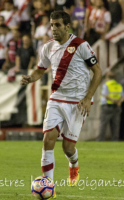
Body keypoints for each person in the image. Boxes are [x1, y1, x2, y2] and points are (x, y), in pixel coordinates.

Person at [20, 11, 102, 197]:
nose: (54, 29)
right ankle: (49, 187)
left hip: (77, 102)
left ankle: (74, 164)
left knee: (67, 147)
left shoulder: (81, 46)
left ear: (67, 26)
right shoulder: (48, 47)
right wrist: (30, 78)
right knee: (48, 139)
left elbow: (97, 72)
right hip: (56, 98)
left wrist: (88, 98)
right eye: (51, 25)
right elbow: (40, 70)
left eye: (57, 25)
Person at [97, 71, 124, 141]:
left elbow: (105, 95)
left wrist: (113, 100)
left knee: (103, 125)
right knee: (115, 126)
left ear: (107, 77)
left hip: (107, 107)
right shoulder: (118, 85)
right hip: (117, 107)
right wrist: (118, 101)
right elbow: (123, 97)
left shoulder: (106, 84)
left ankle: (100, 140)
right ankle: (115, 141)